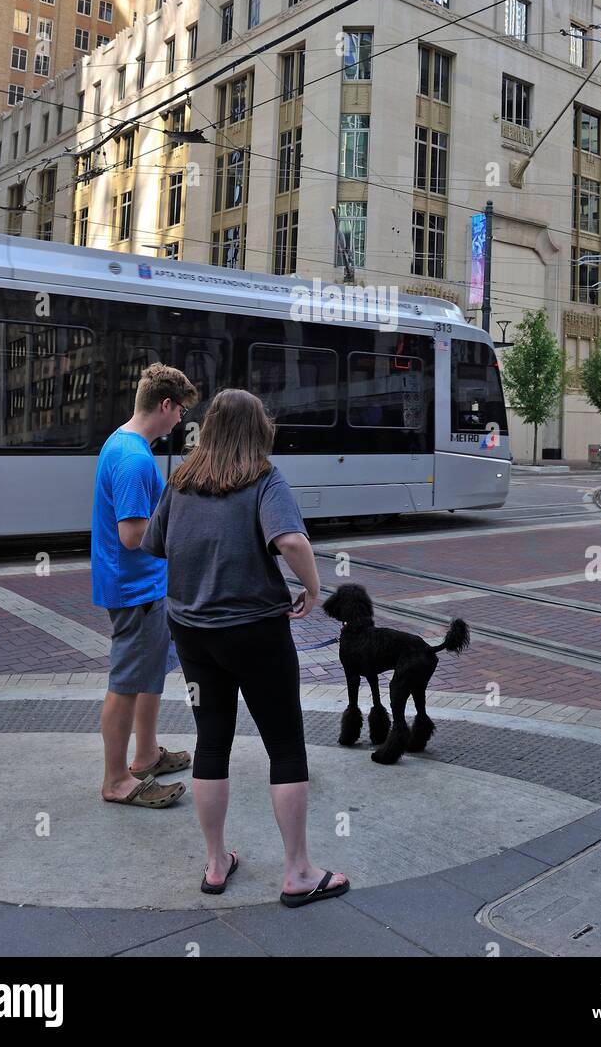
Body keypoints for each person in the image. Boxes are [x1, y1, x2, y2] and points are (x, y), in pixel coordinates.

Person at [141, 388, 350, 908]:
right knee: (284, 744)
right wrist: (314, 588)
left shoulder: (182, 479)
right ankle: (298, 871)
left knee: (212, 740)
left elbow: (155, 543)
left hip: (192, 631)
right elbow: (292, 542)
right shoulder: (262, 477)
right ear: (258, 430)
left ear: (209, 427)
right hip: (256, 631)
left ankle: (215, 864)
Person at [92, 362, 198, 808]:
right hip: (137, 589)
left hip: (144, 587)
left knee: (148, 673)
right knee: (127, 681)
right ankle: (116, 780)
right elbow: (133, 536)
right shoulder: (135, 459)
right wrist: (184, 532)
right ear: (166, 405)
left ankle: (146, 755)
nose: (181, 421)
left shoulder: (123, 444)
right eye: (180, 412)